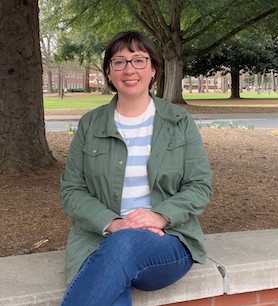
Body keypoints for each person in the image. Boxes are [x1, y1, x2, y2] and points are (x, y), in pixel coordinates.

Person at [59, 30, 212, 306]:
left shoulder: (179, 121)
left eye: (139, 60)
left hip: (168, 240)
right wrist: (115, 224)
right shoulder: (90, 125)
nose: (129, 69)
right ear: (108, 72)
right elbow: (72, 190)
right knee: (114, 285)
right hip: (98, 239)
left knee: (124, 246)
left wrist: (160, 216)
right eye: (119, 62)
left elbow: (199, 186)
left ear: (153, 69)